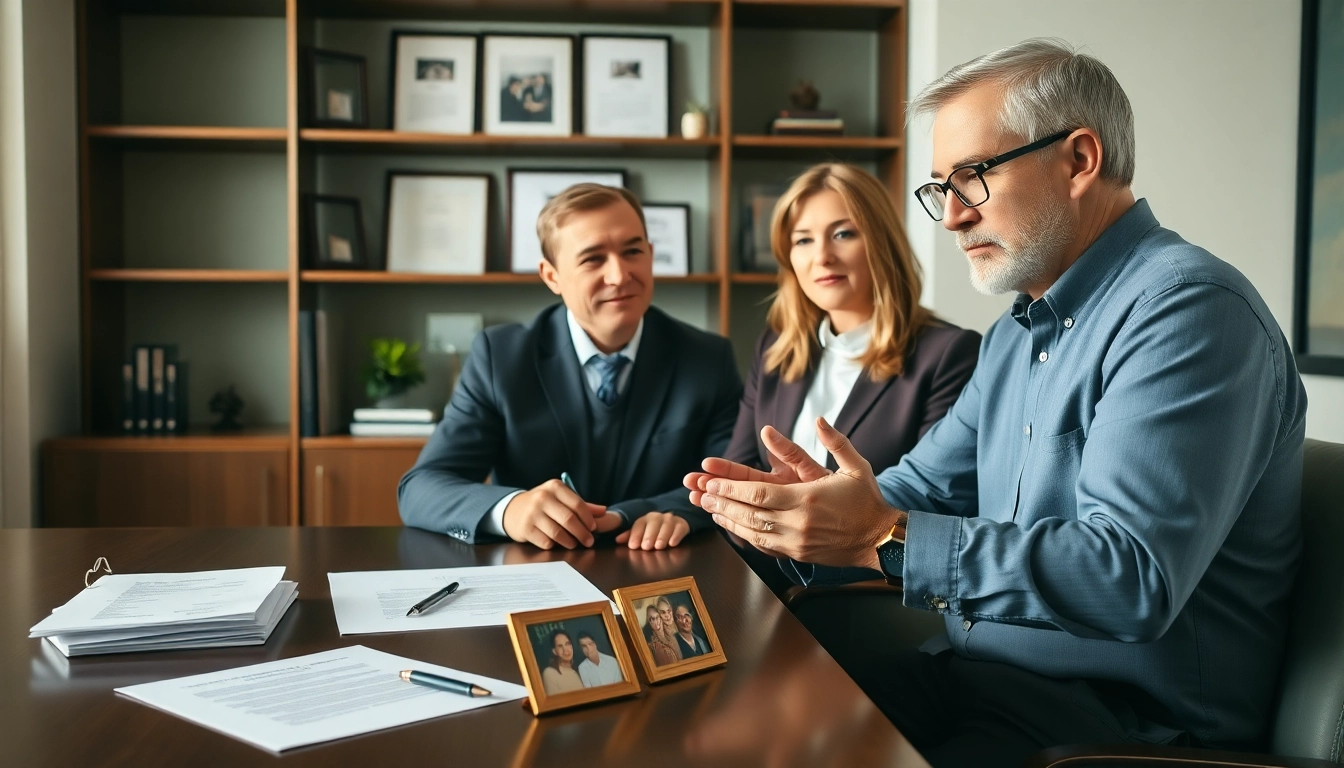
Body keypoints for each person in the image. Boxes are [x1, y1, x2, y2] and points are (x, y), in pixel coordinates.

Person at [687, 38, 1306, 766]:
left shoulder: (1188, 310)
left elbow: (1129, 577)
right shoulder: (1016, 334)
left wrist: (881, 536)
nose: (950, 216)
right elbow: (920, 489)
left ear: (1080, 160)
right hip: (981, 680)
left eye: (973, 177)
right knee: (733, 722)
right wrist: (799, 513)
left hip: (1121, 728)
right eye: (939, 188)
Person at [398, 183, 742, 551]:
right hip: (537, 570)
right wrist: (511, 509)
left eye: (633, 252)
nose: (620, 275)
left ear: (651, 255)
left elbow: (734, 482)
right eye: (593, 259)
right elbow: (420, 489)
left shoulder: (708, 359)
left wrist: (661, 512)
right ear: (552, 276)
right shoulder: (500, 357)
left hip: (664, 567)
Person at [724, 163, 980, 591]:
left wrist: (801, 518)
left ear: (880, 242)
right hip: (761, 583)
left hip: (868, 599)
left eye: (843, 234)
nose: (822, 256)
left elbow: (934, 506)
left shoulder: (948, 353)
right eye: (803, 240)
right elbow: (738, 474)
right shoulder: (775, 347)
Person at [540, 629, 583, 695]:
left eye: (567, 644)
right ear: (554, 651)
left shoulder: (578, 670)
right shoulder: (550, 673)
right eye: (560, 646)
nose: (565, 650)